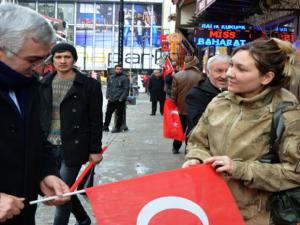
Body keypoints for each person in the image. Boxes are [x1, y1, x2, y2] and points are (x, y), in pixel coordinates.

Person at [183, 38, 300, 224]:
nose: (229, 73)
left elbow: (295, 173)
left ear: (266, 77)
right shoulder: (219, 102)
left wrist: (239, 169)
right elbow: (197, 141)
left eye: (241, 69)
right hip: (210, 209)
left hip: (256, 217)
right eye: (231, 65)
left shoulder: (287, 113)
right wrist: (195, 158)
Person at [0, 4, 70, 225]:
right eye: (32, 60)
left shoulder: (28, 87)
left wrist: (46, 173)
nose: (40, 68)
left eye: (43, 60)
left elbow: (34, 140)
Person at [39, 42, 103, 225]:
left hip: (74, 145)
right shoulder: (43, 84)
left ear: (74, 59)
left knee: (62, 194)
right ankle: (83, 219)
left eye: (67, 57)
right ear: (52, 60)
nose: (63, 61)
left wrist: (95, 149)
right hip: (48, 146)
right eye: (58, 57)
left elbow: (96, 119)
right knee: (64, 188)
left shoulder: (89, 85)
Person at [185, 55, 230, 136]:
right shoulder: (196, 95)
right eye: (219, 71)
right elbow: (198, 126)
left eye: (227, 71)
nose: (224, 76)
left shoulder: (237, 92)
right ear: (208, 72)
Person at [171, 55, 205, 154]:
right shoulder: (201, 76)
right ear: (195, 64)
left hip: (181, 108)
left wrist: (174, 106)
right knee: (192, 130)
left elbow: (174, 94)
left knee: (180, 129)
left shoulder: (177, 76)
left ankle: (175, 147)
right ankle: (188, 149)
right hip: (196, 108)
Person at [103, 64, 129, 133]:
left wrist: (121, 98)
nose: (119, 70)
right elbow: (108, 87)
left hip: (119, 100)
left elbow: (126, 89)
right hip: (111, 99)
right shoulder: (111, 77)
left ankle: (118, 127)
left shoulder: (125, 78)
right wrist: (107, 95)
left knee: (119, 114)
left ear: (122, 70)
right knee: (108, 113)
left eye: (120, 69)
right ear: (115, 70)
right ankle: (105, 126)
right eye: (117, 69)